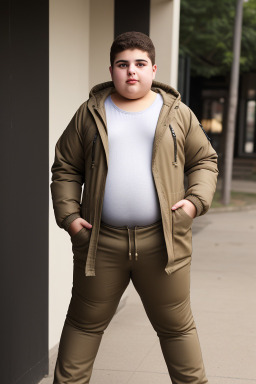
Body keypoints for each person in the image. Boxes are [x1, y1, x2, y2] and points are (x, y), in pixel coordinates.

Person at [51, 31, 218, 384]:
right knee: (83, 325)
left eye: (140, 64)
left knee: (177, 329)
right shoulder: (90, 113)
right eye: (123, 64)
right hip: (100, 244)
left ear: (153, 69)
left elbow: (204, 160)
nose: (131, 72)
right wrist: (70, 219)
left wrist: (193, 203)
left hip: (164, 244)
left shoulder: (177, 113)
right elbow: (66, 165)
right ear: (111, 69)